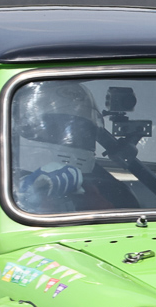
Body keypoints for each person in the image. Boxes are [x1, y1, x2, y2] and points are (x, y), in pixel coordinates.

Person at [8, 79, 134, 214]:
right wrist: (23, 194)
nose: (73, 137)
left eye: (83, 131)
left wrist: (90, 196)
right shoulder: (1, 172)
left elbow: (124, 216)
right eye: (57, 128)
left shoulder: (102, 185)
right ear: (24, 128)